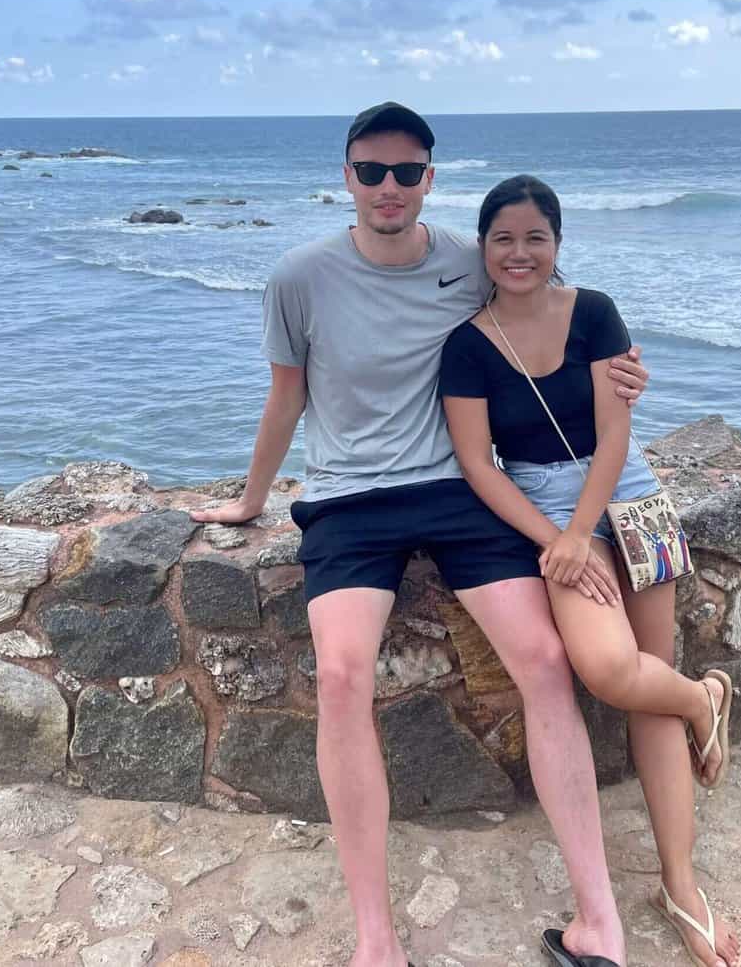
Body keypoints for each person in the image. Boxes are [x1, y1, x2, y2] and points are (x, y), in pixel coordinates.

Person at [192, 104, 649, 967]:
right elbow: (286, 397)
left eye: (407, 171)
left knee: (548, 664)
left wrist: (623, 366)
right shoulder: (299, 276)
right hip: (350, 499)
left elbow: (542, 312)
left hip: (456, 486)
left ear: (430, 178)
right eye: (372, 171)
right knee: (340, 673)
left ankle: (600, 924)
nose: (389, 187)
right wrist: (252, 500)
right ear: (347, 178)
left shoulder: (467, 265)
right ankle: (377, 942)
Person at [439, 174, 741, 967]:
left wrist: (583, 530)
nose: (519, 252)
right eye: (502, 238)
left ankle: (680, 883)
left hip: (630, 494)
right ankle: (704, 698)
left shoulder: (597, 312)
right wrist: (559, 539)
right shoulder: (468, 345)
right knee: (612, 667)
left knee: (650, 685)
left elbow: (615, 435)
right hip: (542, 504)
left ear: (558, 243)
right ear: (483, 246)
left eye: (535, 237)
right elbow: (479, 465)